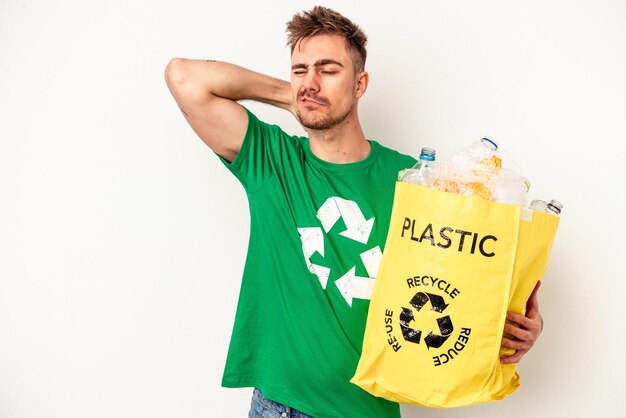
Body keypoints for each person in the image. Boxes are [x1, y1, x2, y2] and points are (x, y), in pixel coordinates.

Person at [164, 6, 543, 418]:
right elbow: (183, 76)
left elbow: (461, 281)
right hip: (279, 406)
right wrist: (292, 96)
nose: (310, 82)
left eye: (327, 70)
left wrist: (511, 329)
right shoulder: (271, 161)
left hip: (367, 409)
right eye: (299, 70)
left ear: (360, 83)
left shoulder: (414, 184)